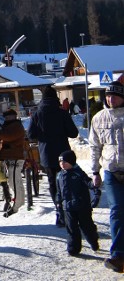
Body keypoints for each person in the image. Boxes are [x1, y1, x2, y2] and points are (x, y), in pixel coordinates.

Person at [28, 87, 79, 226]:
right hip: (64, 155)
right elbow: (74, 133)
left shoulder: (37, 114)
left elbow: (31, 135)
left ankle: (59, 212)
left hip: (47, 155)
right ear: (55, 97)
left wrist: (42, 135)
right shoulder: (62, 113)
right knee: (67, 182)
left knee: (53, 184)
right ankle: (69, 211)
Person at [89, 76, 124, 273]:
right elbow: (94, 147)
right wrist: (95, 171)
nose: (111, 99)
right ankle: (118, 255)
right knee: (117, 210)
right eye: (108, 96)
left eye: (115, 96)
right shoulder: (99, 118)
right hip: (111, 171)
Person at [57, 149, 100, 257]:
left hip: (82, 206)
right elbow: (58, 192)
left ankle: (93, 240)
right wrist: (58, 203)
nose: (62, 164)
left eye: (65, 162)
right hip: (68, 207)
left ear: (72, 162)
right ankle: (73, 248)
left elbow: (88, 183)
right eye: (60, 162)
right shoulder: (59, 176)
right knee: (71, 228)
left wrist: (94, 187)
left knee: (87, 227)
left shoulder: (78, 173)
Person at [0, 108, 26, 216]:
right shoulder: (8, 126)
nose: (6, 118)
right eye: (5, 117)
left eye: (8, 116)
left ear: (13, 117)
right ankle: (20, 202)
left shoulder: (16, 126)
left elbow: (8, 137)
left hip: (15, 159)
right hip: (10, 159)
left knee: (14, 183)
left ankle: (15, 207)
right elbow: (2, 138)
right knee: (14, 182)